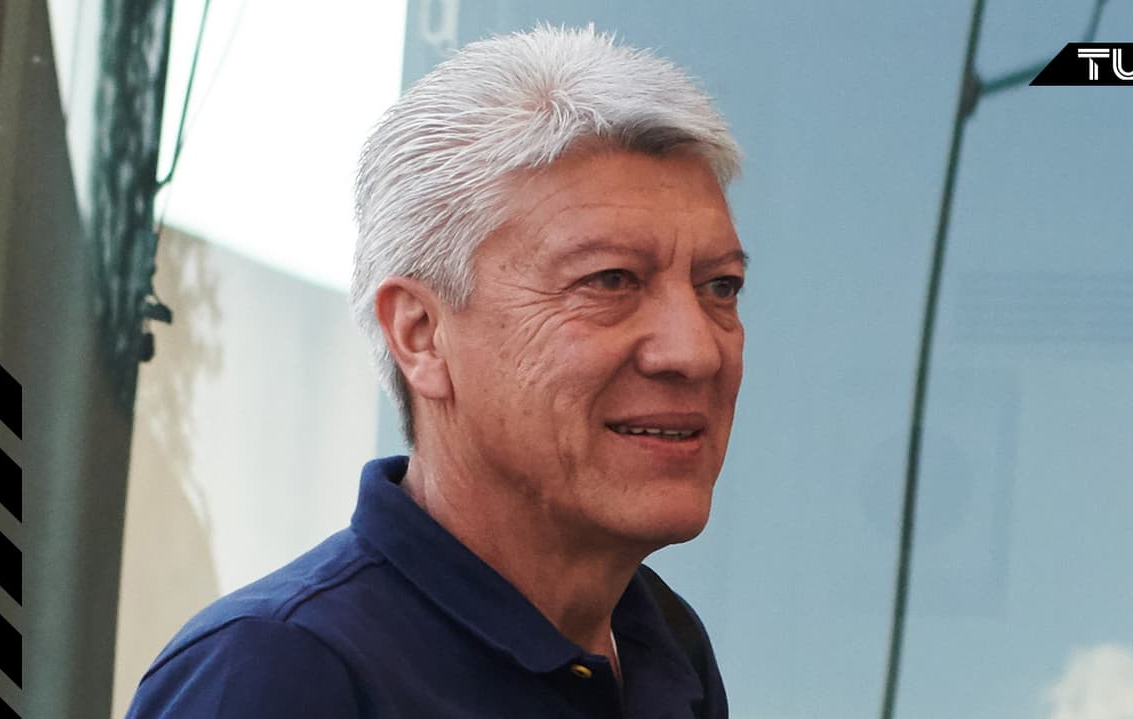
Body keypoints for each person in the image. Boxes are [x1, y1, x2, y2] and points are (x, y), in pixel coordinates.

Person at [127, 24, 746, 718]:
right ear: (421, 334)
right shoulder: (279, 672)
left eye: (720, 287)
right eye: (610, 280)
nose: (695, 351)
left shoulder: (659, 639)